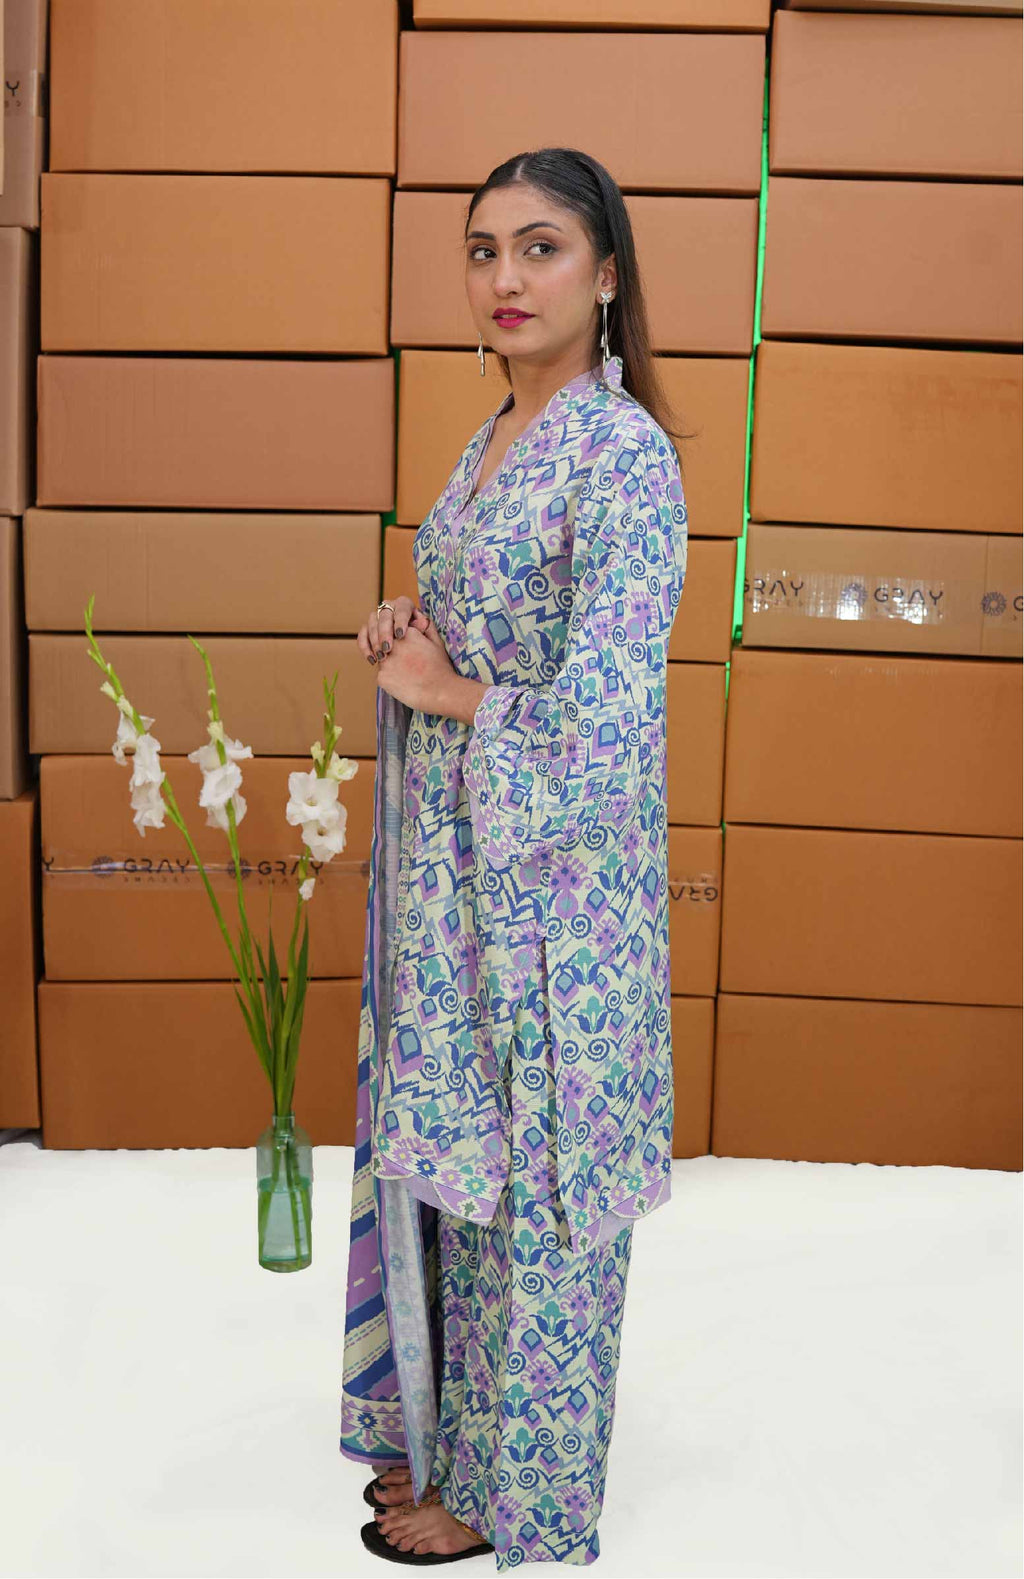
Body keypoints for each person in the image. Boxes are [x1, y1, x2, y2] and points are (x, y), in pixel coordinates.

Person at [340, 146, 691, 1568]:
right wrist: (410, 629)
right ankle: (463, 1456)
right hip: (462, 886)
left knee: (543, 1197)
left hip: (560, 902)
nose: (506, 278)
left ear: (605, 274)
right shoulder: (492, 435)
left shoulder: (624, 456)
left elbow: (611, 720)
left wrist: (448, 694)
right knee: (475, 1178)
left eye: (541, 248)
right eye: (483, 250)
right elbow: (490, 629)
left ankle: (525, 1502)